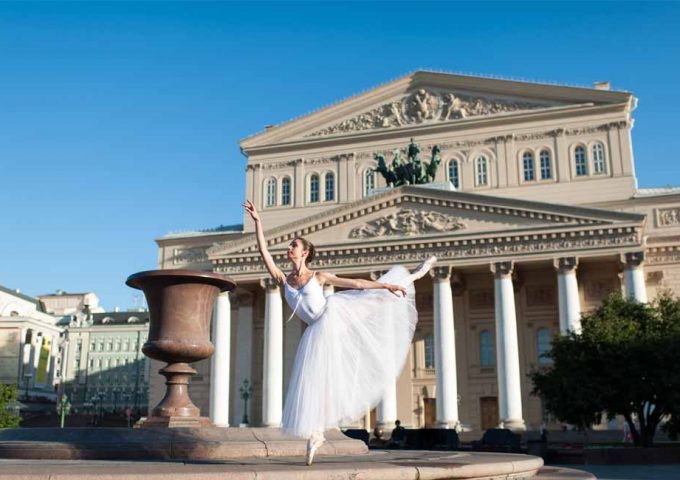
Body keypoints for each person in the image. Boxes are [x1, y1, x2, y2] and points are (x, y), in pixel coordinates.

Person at [242, 199, 437, 465]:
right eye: (289, 245)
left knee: (373, 298)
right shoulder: (283, 279)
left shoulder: (319, 276)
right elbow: (263, 252)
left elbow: (355, 283)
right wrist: (258, 222)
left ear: (305, 252)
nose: (289, 248)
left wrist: (384, 287)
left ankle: (413, 276)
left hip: (332, 317)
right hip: (315, 331)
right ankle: (316, 434)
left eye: (294, 245)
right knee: (312, 381)